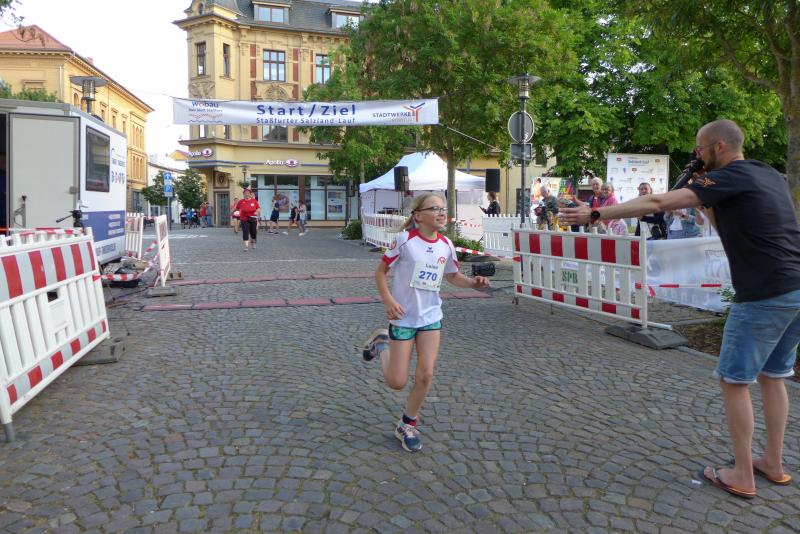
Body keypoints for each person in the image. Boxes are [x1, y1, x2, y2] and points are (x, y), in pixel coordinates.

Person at [559, 119, 800, 500]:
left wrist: (597, 215)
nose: (696, 156)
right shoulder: (765, 173)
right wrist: (704, 197)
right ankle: (772, 462)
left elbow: (657, 203)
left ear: (719, 147)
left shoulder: (728, 176)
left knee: (735, 381)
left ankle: (742, 474)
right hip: (794, 286)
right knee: (774, 376)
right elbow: (726, 226)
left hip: (764, 291)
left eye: (700, 149)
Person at [361, 193, 491, 452]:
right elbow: (380, 272)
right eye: (434, 208)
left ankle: (407, 423)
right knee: (397, 382)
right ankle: (381, 343)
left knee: (426, 374)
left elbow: (452, 276)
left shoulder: (446, 244)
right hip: (403, 318)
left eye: (443, 208)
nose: (441, 213)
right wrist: (388, 300)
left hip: (431, 317)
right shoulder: (405, 241)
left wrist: (473, 283)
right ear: (418, 215)